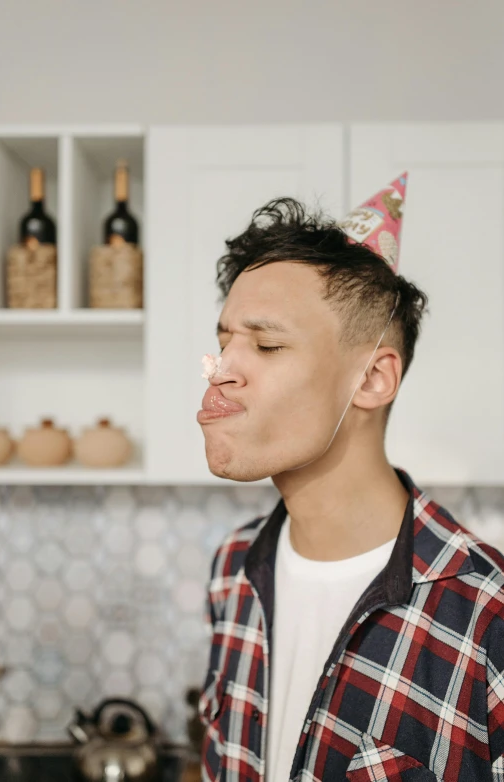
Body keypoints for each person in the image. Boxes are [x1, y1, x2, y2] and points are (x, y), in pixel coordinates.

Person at [196, 189, 504, 782]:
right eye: (224, 340)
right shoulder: (232, 568)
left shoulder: (486, 616)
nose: (221, 369)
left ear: (372, 379)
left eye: (266, 344)